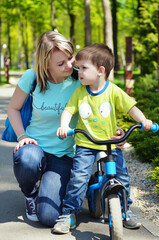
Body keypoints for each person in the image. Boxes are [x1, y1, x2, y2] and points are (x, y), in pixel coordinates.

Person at [7, 31, 131, 230]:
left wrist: (115, 130)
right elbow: (13, 108)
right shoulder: (32, 78)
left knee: (48, 218)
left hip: (64, 154)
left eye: (70, 58)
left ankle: (66, 187)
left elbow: (100, 107)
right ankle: (30, 194)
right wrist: (22, 136)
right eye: (60, 63)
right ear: (45, 64)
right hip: (36, 146)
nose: (70, 66)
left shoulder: (80, 79)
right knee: (27, 158)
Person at [55, 43, 153, 233]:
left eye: (83, 68)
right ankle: (69, 213)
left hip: (110, 144)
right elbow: (68, 110)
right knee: (79, 177)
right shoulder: (80, 92)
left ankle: (125, 211)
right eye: (78, 67)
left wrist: (144, 120)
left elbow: (130, 108)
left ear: (100, 71)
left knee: (122, 176)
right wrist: (64, 126)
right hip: (85, 144)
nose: (78, 72)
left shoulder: (113, 91)